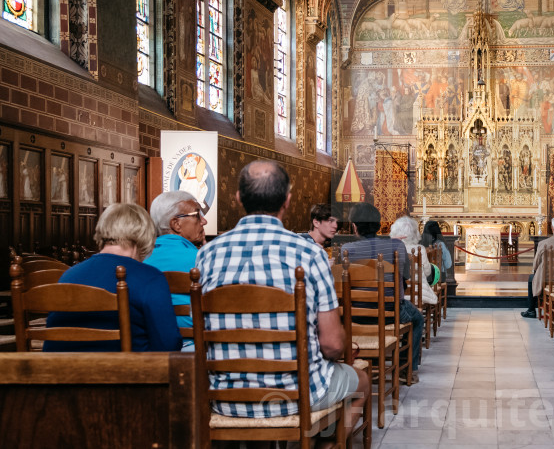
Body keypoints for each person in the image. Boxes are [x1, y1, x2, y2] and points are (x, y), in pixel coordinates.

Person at [196, 160, 369, 436]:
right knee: (361, 380)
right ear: (287, 201)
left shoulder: (206, 255)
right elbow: (334, 345)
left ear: (238, 198)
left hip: (225, 399)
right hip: (297, 396)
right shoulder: (309, 254)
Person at [45, 203, 181, 352]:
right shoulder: (150, 278)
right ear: (144, 236)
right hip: (130, 372)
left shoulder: (68, 276)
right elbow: (168, 344)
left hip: (68, 372)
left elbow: (52, 344)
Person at [340, 202, 425, 381]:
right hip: (390, 313)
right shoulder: (397, 246)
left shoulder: (346, 250)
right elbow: (406, 276)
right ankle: (407, 368)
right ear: (379, 225)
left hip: (355, 315)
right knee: (417, 319)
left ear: (355, 226)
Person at [143, 190, 207, 350]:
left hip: (151, 347)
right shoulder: (203, 260)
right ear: (176, 224)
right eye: (198, 215)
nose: (204, 221)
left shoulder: (140, 260)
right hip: (199, 347)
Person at [390, 216, 438, 306]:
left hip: (395, 293)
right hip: (418, 293)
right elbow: (427, 272)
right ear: (414, 233)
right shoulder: (420, 249)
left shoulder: (390, 249)